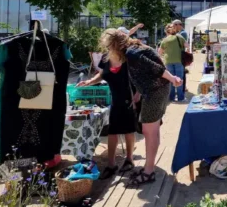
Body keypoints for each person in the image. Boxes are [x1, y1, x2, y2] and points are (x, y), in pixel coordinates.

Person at [100, 29, 182, 185]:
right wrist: (138, 92)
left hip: (155, 91)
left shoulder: (132, 53)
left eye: (109, 48)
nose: (109, 52)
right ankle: (148, 166)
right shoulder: (134, 49)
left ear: (116, 46)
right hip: (154, 90)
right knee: (152, 129)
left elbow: (157, 69)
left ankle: (149, 172)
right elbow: (143, 72)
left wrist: (174, 79)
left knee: (148, 130)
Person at [77, 49, 139, 179]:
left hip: (129, 99)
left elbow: (140, 76)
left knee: (128, 130)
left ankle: (129, 160)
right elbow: (101, 74)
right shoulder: (106, 58)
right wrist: (89, 82)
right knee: (113, 131)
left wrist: (138, 93)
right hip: (115, 100)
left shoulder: (128, 57)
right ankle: (111, 164)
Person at [159, 24, 186, 102]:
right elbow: (187, 45)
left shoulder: (165, 39)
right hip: (178, 60)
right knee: (179, 79)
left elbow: (160, 52)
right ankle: (180, 98)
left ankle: (171, 98)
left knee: (171, 79)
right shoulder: (179, 37)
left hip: (168, 61)